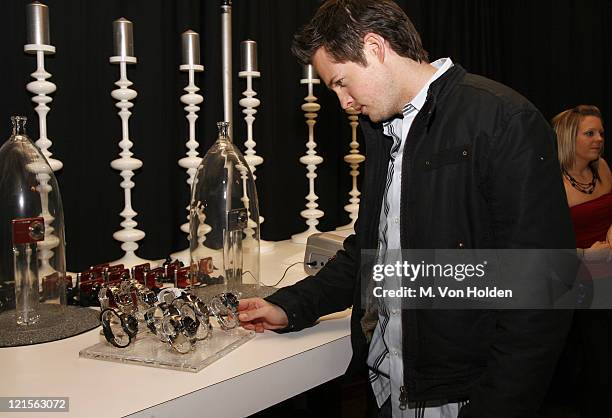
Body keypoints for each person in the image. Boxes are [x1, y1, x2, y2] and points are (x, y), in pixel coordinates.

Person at [238, 1, 576, 416]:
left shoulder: (503, 119)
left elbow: (541, 291)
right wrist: (290, 306)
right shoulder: (383, 132)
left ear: (375, 47)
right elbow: (368, 255)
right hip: (388, 387)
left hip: (460, 396)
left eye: (342, 82)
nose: (343, 102)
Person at [552, 105, 612, 418]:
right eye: (590, 133)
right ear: (568, 138)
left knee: (600, 356)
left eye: (601, 132)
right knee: (580, 356)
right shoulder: (552, 185)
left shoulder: (602, 168)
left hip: (606, 270)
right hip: (570, 276)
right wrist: (588, 256)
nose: (599, 139)